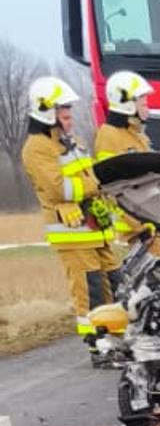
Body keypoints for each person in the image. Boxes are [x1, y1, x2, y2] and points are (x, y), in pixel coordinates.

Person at [19, 77, 116, 354]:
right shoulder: (37, 147)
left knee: (112, 283)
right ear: (47, 111)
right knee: (90, 291)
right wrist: (93, 186)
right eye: (64, 110)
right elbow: (60, 188)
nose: (69, 115)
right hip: (72, 233)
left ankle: (116, 339)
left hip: (95, 228)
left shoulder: (70, 141)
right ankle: (97, 346)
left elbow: (89, 174)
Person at [93, 71, 160, 253]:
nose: (147, 107)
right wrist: (139, 225)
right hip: (138, 230)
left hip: (152, 221)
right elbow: (111, 188)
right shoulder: (109, 135)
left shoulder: (137, 134)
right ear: (127, 103)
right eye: (143, 103)